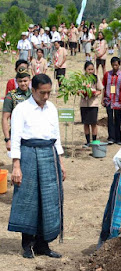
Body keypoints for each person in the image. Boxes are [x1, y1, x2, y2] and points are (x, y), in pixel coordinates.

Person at [8, 74, 65, 259]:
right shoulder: (21, 109)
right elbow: (15, 138)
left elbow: (56, 137)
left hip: (49, 155)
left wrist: (61, 163)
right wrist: (16, 166)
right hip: (28, 155)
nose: (46, 96)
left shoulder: (52, 109)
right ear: (33, 90)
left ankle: (43, 244)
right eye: (43, 93)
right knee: (28, 199)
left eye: (49, 92)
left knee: (48, 200)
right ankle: (28, 245)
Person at [2, 67, 31, 152]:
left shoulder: (35, 95)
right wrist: (7, 139)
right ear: (16, 81)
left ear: (29, 80)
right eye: (20, 81)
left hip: (33, 134)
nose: (23, 83)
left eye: (25, 81)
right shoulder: (11, 96)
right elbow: (4, 118)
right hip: (17, 135)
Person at [102, 57, 121, 145]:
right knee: (110, 119)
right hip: (108, 100)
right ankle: (111, 137)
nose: (115, 67)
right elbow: (104, 87)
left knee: (118, 119)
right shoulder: (107, 75)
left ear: (119, 65)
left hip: (118, 101)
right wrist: (102, 99)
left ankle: (118, 138)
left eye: (116, 65)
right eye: (113, 65)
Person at [80, 62, 103, 147]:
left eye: (92, 69)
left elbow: (100, 90)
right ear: (85, 70)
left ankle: (94, 141)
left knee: (93, 123)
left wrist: (95, 93)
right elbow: (78, 90)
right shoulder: (82, 78)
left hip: (93, 104)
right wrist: (82, 93)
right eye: (89, 69)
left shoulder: (96, 78)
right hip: (84, 104)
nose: (90, 71)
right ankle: (87, 141)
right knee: (86, 123)